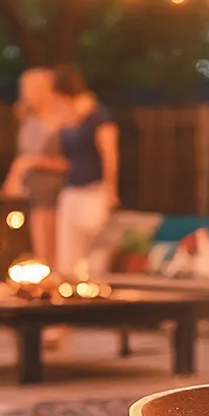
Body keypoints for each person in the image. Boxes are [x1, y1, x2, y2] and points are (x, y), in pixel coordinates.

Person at [49, 65, 120, 282]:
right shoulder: (67, 119)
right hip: (71, 190)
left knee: (94, 255)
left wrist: (110, 190)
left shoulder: (99, 117)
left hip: (94, 190)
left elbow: (110, 155)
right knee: (67, 256)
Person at [0, 67, 68, 274]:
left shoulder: (64, 120)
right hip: (33, 193)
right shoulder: (27, 119)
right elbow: (22, 155)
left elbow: (71, 162)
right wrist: (14, 178)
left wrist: (34, 162)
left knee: (58, 253)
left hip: (58, 192)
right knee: (40, 253)